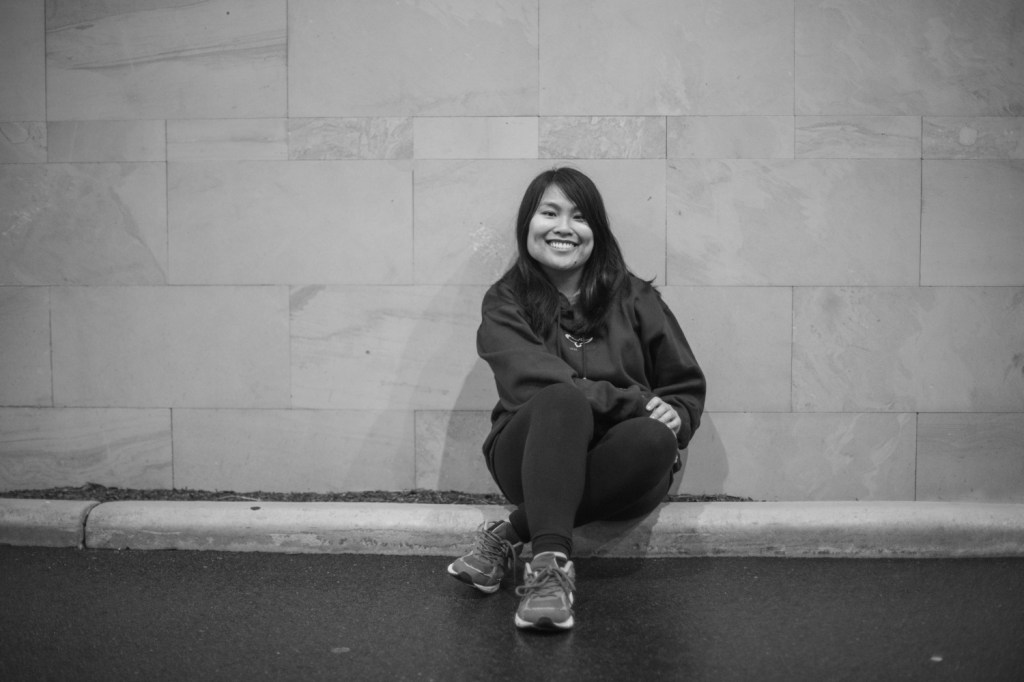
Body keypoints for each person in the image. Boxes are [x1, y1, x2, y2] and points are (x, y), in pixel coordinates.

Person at [447, 167, 706, 631]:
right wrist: (634, 401)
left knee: (654, 438)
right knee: (561, 401)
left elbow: (684, 386)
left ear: (596, 233)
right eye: (550, 213)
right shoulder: (505, 301)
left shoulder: (637, 298)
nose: (564, 227)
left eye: (580, 218)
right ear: (528, 222)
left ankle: (510, 535)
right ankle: (548, 573)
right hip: (529, 457)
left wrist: (675, 415)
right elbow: (536, 383)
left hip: (626, 469)